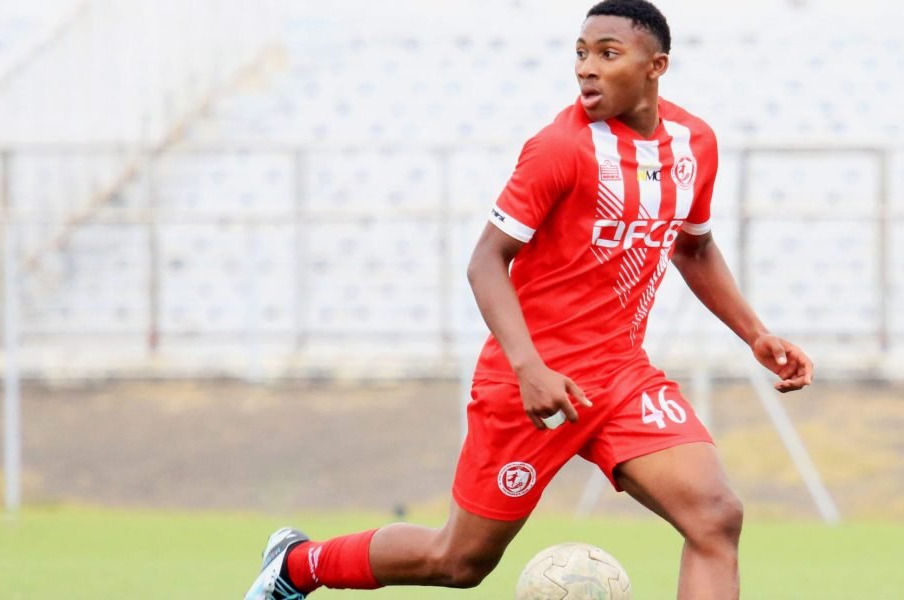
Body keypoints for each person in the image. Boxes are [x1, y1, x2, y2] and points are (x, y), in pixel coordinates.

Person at [244, 1, 813, 598]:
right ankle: (297, 564)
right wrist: (530, 369)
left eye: (607, 54)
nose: (586, 68)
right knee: (459, 562)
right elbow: (485, 260)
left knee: (716, 517)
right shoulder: (559, 148)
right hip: (533, 382)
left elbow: (692, 249)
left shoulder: (695, 143)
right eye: (581, 52)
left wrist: (755, 333)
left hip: (622, 378)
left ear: (656, 66)